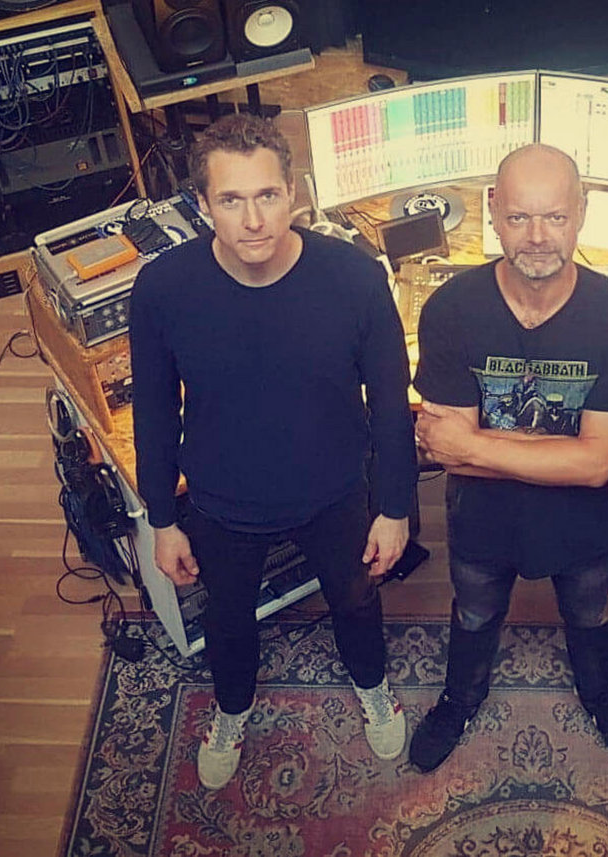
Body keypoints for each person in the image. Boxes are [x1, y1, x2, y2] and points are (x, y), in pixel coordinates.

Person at [130, 114, 416, 790]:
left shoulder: (355, 277)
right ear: (203, 206)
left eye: (267, 196)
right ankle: (232, 709)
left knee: (355, 601)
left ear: (294, 193)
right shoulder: (163, 288)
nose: (254, 219)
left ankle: (373, 685)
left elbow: (390, 398)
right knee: (227, 619)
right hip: (221, 500)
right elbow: (153, 410)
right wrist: (160, 519)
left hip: (335, 491)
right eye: (231, 200)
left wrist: (395, 507)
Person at [409, 143, 608, 773]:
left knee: (590, 612)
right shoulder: (451, 309)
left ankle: (601, 697)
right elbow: (448, 453)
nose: (538, 237)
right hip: (480, 518)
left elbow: (467, 447)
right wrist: (580, 453)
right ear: (493, 211)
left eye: (555, 217)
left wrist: (476, 444)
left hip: (584, 524)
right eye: (520, 217)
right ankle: (460, 700)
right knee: (474, 612)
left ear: (582, 212)